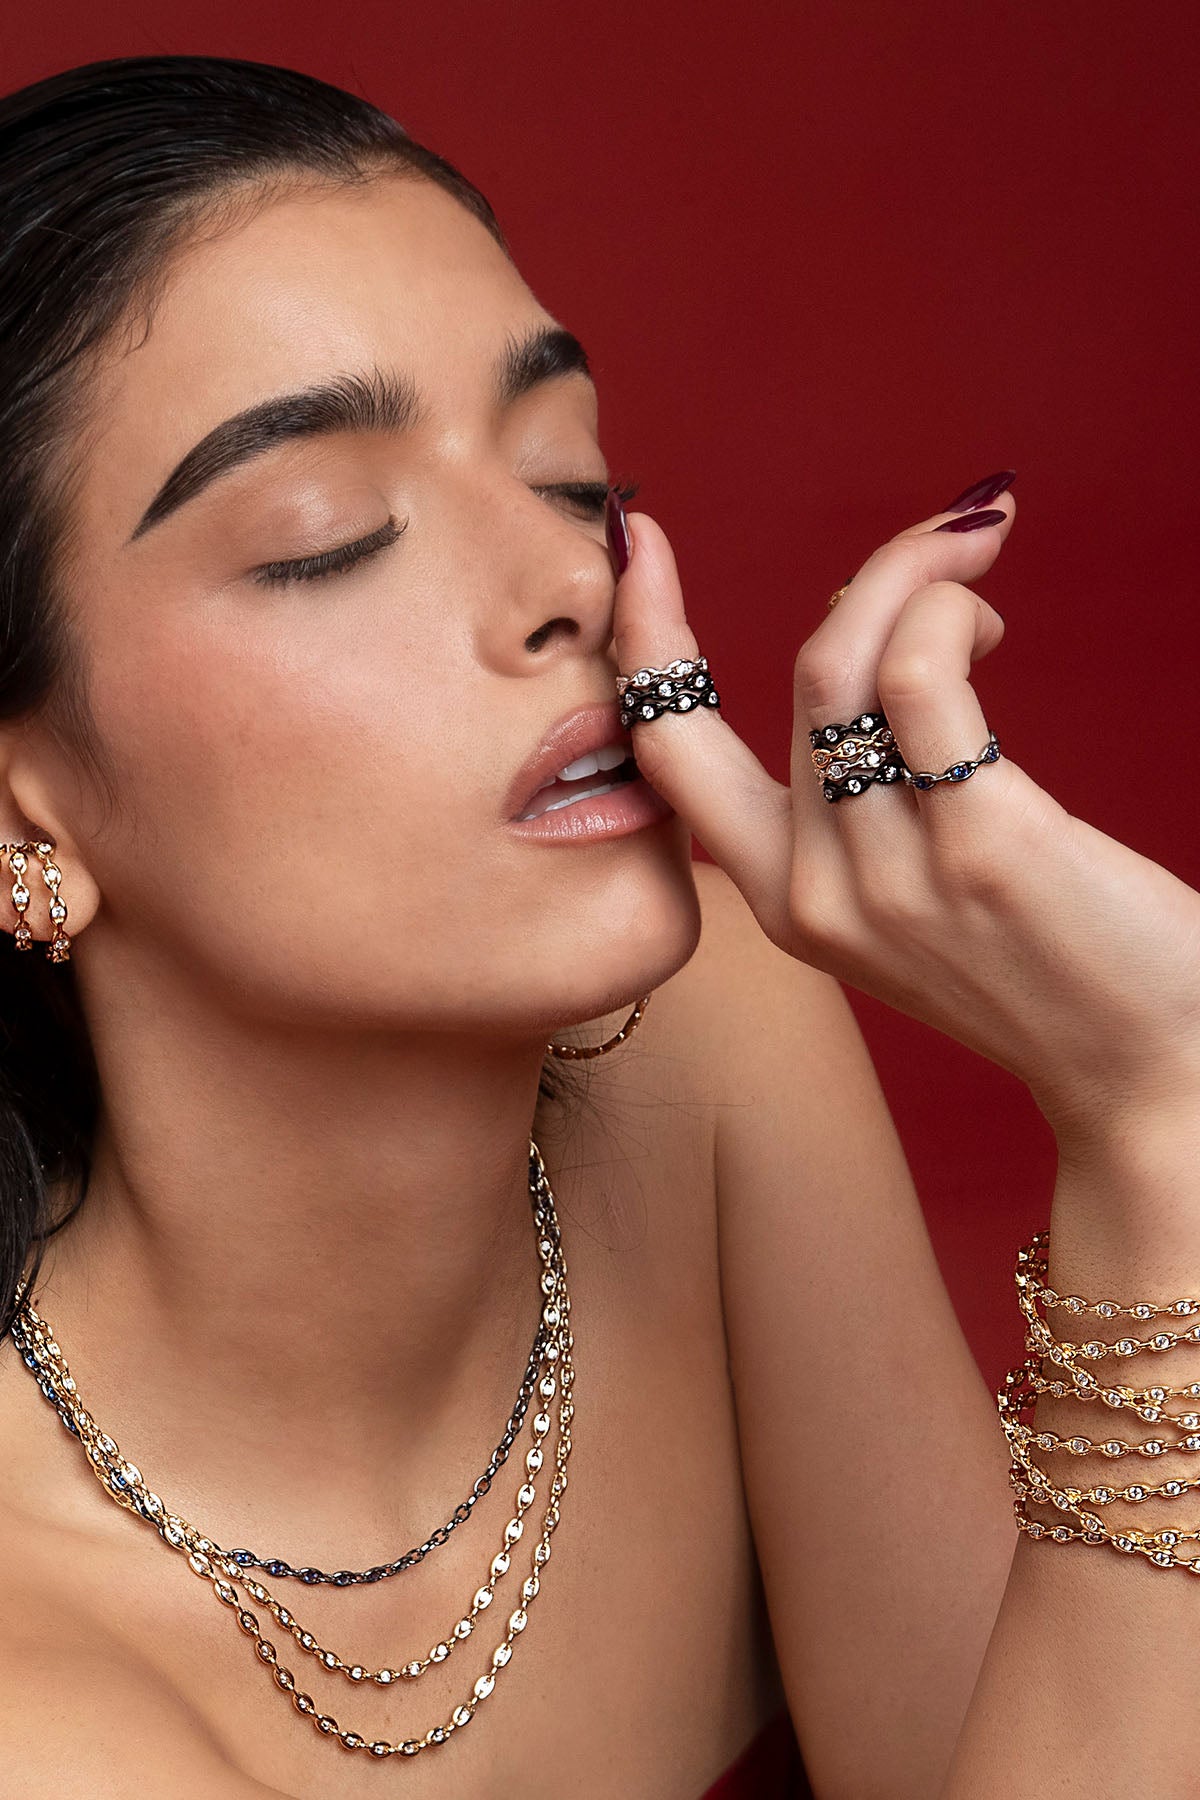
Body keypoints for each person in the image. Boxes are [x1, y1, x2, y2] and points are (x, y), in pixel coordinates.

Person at [0, 52, 1196, 1800]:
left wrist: (1156, 1094)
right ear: (24, 804)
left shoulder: (709, 1047)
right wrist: (1164, 1139)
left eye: (568, 474)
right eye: (330, 539)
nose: (573, 582)